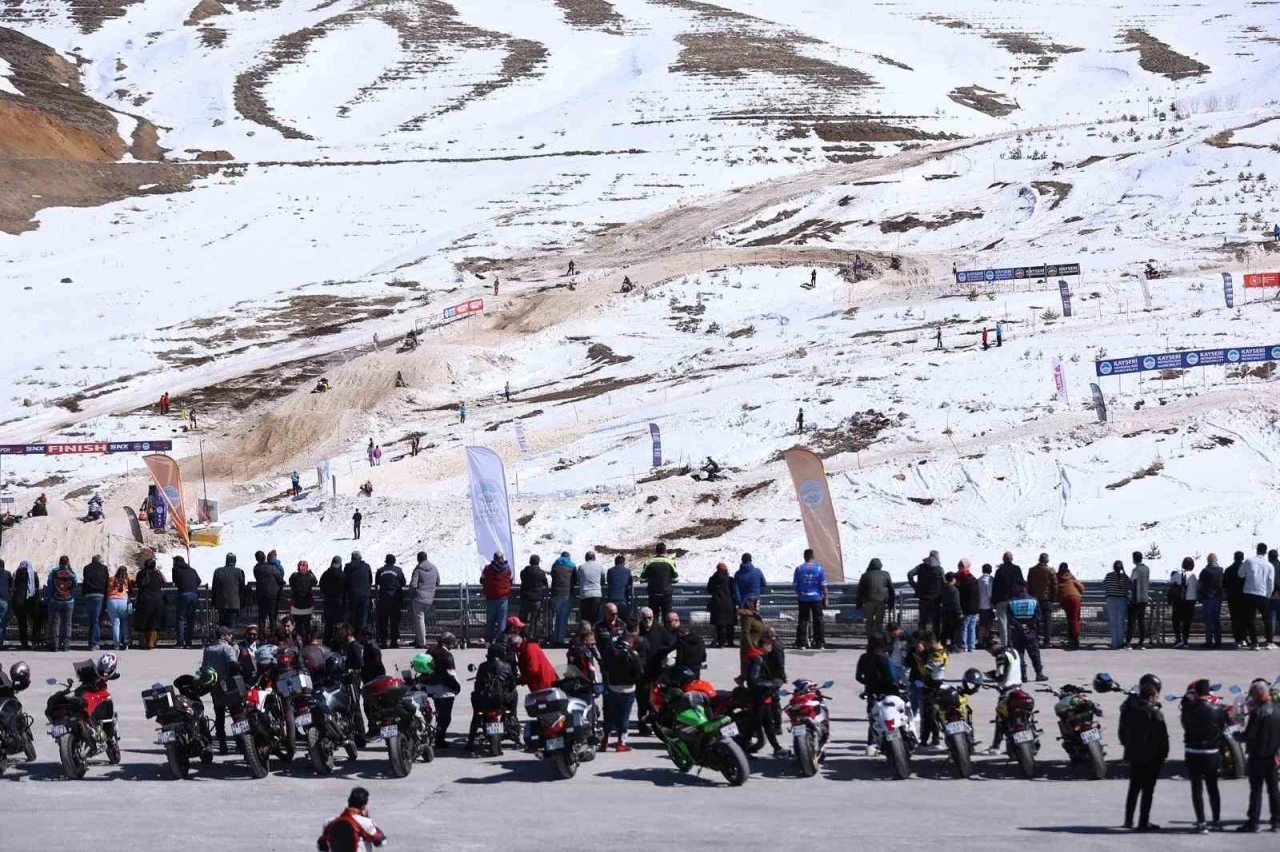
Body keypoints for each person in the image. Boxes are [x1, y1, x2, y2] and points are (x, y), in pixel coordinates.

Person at [1119, 674, 1169, 831]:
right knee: (1147, 791)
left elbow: (1121, 731)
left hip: (1134, 754)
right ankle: (1143, 822)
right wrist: (1163, 756)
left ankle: (1128, 820)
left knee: (1133, 788)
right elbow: (1163, 740)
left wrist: (1127, 746)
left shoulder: (1129, 708)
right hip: (1151, 758)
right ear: (1152, 695)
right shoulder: (1155, 714)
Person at [1181, 678, 1226, 833]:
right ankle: (1216, 820)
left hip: (1193, 752)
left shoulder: (1187, 709)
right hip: (1211, 752)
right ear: (1207, 692)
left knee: (1196, 789)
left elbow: (1184, 725)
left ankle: (1201, 822)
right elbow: (1222, 727)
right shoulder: (1217, 709)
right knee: (1213, 787)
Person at [1239, 680, 1280, 832]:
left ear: (1258, 694)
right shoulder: (1277, 708)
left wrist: (1237, 734)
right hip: (1273, 755)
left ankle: (1253, 822)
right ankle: (1276, 821)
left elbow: (1249, 735)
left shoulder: (1258, 712)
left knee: (1256, 789)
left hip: (1258, 756)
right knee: (1274, 789)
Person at [745, 635, 786, 757]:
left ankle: (777, 748)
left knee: (767, 723)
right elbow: (754, 680)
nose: (771, 648)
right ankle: (742, 747)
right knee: (754, 724)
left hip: (765, 697)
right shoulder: (758, 659)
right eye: (769, 646)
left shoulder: (760, 657)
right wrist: (772, 684)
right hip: (760, 697)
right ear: (763, 646)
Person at [601, 631, 643, 752]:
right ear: (631, 642)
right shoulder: (631, 653)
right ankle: (621, 743)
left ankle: (604, 740)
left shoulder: (610, 651)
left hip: (612, 687)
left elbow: (604, 666)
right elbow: (638, 672)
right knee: (624, 715)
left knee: (609, 714)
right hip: (628, 689)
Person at [856, 630, 897, 751]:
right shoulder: (884, 658)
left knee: (874, 718)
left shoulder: (864, 657)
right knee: (889, 716)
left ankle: (872, 744)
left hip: (871, 692)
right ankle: (889, 742)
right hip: (886, 691)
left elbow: (858, 677)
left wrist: (868, 683)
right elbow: (892, 677)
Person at [202, 625, 239, 753]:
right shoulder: (227, 648)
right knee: (236, 714)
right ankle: (240, 743)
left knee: (219, 715)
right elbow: (233, 666)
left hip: (215, 687)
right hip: (228, 685)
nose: (231, 636)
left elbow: (204, 669)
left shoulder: (208, 649)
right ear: (223, 637)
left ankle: (222, 744)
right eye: (229, 634)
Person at [317, 787, 386, 852]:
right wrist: (370, 820)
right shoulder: (365, 822)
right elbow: (380, 842)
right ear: (363, 805)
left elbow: (322, 846)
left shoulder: (329, 822)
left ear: (349, 801)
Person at [635, 607, 668, 734]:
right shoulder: (637, 630)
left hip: (657, 672)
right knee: (642, 700)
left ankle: (656, 725)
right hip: (642, 673)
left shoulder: (660, 629)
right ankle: (642, 725)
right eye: (645, 618)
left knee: (656, 700)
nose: (648, 621)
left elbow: (669, 642)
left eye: (650, 618)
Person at [1007, 582, 1047, 681]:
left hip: (1017, 631)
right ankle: (1039, 674)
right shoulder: (1034, 600)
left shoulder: (1011, 602)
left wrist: (1020, 626)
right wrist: (1028, 625)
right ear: (1026, 588)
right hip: (1031, 631)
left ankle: (1022, 675)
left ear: (1017, 588)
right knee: (1034, 653)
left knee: (1019, 654)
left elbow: (1009, 617)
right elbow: (1038, 616)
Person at [1242, 542, 1275, 648]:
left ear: (1256, 549)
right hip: (1262, 593)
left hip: (1249, 592)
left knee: (1250, 619)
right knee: (1267, 618)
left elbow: (1240, 574)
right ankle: (1269, 641)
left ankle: (1254, 642)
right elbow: (1270, 582)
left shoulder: (1249, 561)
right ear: (1265, 552)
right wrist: (1268, 595)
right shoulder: (1269, 565)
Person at [793, 549, 827, 649]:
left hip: (803, 598)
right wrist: (826, 597)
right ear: (813, 556)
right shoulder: (819, 569)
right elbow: (823, 584)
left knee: (803, 620)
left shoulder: (799, 569)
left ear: (804, 556)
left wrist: (799, 594)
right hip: (816, 598)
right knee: (818, 620)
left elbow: (795, 585)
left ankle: (802, 643)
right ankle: (819, 642)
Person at [907, 551, 944, 639]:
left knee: (922, 621)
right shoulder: (939, 569)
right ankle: (936, 640)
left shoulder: (921, 567)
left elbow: (910, 574)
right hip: (936, 599)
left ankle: (921, 640)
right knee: (936, 621)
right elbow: (944, 582)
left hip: (923, 598)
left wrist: (915, 586)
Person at [44, 555, 77, 652]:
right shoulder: (72, 573)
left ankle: (55, 645)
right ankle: (66, 645)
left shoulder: (54, 572)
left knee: (55, 623)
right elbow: (74, 585)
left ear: (60, 562)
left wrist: (49, 598)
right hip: (68, 601)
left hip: (55, 600)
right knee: (67, 623)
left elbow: (49, 585)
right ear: (68, 562)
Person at [408, 552, 439, 648]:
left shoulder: (418, 569)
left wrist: (411, 593)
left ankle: (421, 643)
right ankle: (418, 639)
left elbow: (413, 584)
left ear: (418, 559)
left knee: (419, 620)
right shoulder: (434, 568)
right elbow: (438, 581)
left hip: (419, 598)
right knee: (419, 620)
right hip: (429, 599)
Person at [480, 551, 512, 645]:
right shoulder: (507, 569)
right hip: (503, 598)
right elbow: (510, 580)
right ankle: (500, 641)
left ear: (494, 558)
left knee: (490, 620)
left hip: (490, 597)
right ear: (502, 558)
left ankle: (489, 640)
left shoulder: (487, 568)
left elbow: (482, 580)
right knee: (502, 620)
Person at [991, 551, 1023, 646]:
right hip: (1015, 600)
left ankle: (1004, 643)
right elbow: (1021, 583)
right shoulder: (1017, 569)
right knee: (1014, 621)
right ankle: (1015, 641)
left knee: (1002, 622)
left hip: (1002, 600)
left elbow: (995, 587)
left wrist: (993, 601)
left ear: (1003, 559)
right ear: (1012, 559)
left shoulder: (999, 571)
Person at [132, 558, 165, 650]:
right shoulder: (157, 574)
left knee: (143, 621)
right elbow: (164, 582)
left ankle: (143, 642)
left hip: (143, 600)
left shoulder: (140, 574)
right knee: (154, 622)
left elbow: (137, 584)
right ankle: (151, 643)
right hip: (156, 600)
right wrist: (159, 571)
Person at [640, 543, 678, 620]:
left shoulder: (648, 562)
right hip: (666, 593)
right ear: (665, 551)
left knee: (654, 617)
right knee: (667, 617)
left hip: (653, 593)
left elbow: (642, 579)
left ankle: (654, 630)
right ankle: (667, 631)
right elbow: (676, 579)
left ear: (656, 551)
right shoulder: (670, 562)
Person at [857, 557, 894, 636]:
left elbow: (860, 590)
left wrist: (858, 603)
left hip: (869, 600)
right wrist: (891, 603)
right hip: (881, 600)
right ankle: (878, 638)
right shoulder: (886, 574)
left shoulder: (865, 575)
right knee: (879, 621)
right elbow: (891, 589)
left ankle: (870, 638)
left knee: (869, 621)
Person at [375, 554, 405, 648]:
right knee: (394, 621)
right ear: (394, 561)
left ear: (386, 561)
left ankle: (383, 641)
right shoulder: (398, 570)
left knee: (383, 621)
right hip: (395, 599)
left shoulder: (380, 570)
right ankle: (393, 642)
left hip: (383, 598)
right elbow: (403, 582)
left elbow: (377, 582)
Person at [706, 562, 739, 648]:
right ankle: (730, 642)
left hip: (717, 603)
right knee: (730, 624)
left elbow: (709, 590)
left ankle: (721, 643)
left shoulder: (712, 579)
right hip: (729, 603)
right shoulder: (730, 580)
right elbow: (734, 591)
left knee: (720, 625)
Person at [11, 560, 42, 649]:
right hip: (30, 601)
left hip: (18, 601)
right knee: (36, 619)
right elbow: (37, 589)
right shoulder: (34, 574)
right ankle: (34, 640)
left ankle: (24, 642)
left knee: (22, 622)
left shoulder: (15, 574)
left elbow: (13, 587)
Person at [172, 555, 202, 649]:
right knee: (190, 619)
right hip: (194, 595)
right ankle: (188, 641)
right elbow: (199, 581)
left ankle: (180, 641)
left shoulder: (175, 569)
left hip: (183, 594)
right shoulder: (192, 570)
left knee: (181, 618)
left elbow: (175, 582)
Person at [1027, 552, 1057, 644]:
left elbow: (1029, 584)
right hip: (1047, 599)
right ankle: (1047, 640)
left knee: (1035, 620)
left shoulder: (1032, 570)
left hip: (1034, 599)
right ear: (1047, 560)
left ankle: (1035, 639)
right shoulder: (1051, 570)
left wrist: (1030, 596)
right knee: (1047, 621)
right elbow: (1055, 585)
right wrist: (1054, 598)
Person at [80, 554, 109, 651]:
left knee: (93, 619)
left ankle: (92, 642)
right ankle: (93, 643)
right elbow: (106, 582)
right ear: (100, 561)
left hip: (88, 595)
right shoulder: (104, 568)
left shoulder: (86, 568)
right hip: (99, 595)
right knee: (96, 620)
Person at [1224, 550, 1252, 648]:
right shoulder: (1248, 569)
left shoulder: (1228, 570)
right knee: (1245, 618)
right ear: (1243, 558)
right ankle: (1245, 638)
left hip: (1233, 598)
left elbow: (1224, 585)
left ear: (1234, 557)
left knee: (1235, 619)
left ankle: (1238, 639)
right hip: (1245, 597)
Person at [1169, 557, 1198, 648]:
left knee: (1176, 620)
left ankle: (1178, 639)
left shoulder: (1177, 573)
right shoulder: (1194, 575)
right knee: (1187, 621)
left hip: (1178, 600)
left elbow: (1171, 581)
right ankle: (1185, 640)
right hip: (1190, 600)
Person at [518, 555, 549, 641]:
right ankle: (532, 637)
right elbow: (545, 582)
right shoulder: (541, 573)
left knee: (522, 619)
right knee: (534, 620)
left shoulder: (524, 572)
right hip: (536, 599)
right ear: (538, 562)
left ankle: (521, 636)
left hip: (525, 598)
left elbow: (522, 578)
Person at [549, 551, 576, 646]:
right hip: (567, 594)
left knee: (556, 617)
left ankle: (555, 637)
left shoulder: (555, 565)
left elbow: (552, 576)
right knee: (563, 618)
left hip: (555, 594)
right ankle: (560, 639)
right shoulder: (572, 566)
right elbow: (575, 580)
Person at [1103, 560, 1131, 649]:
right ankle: (1120, 642)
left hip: (1111, 599)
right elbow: (1129, 586)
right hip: (1122, 600)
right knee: (1121, 622)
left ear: (1113, 567)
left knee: (1113, 622)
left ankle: (1114, 643)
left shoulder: (1109, 576)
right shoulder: (1125, 577)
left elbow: (1104, 585)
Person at [1199, 552, 1225, 648]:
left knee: (1208, 621)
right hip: (1218, 598)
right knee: (1217, 620)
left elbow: (1200, 584)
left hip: (1207, 598)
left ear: (1208, 561)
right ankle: (1218, 641)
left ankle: (1209, 641)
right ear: (1216, 560)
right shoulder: (1221, 570)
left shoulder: (1205, 571)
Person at [1056, 563, 1084, 650]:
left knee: (1071, 619)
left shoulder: (1057, 577)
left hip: (1065, 599)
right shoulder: (1071, 577)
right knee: (1075, 619)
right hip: (1076, 598)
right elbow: (1081, 587)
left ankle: (1072, 639)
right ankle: (1075, 639)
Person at [344, 551, 373, 634]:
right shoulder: (366, 567)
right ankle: (362, 636)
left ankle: (353, 636)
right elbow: (370, 581)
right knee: (364, 616)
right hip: (365, 595)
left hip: (352, 595)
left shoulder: (348, 568)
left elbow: (345, 581)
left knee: (353, 616)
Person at [737, 596, 766, 679]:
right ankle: (742, 680)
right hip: (750, 645)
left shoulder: (756, 615)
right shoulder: (747, 616)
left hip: (758, 644)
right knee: (748, 666)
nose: (758, 606)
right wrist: (751, 646)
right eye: (757, 604)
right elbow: (746, 632)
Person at [253, 550, 282, 635]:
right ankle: (273, 635)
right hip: (272, 595)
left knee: (262, 617)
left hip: (261, 595)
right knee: (272, 616)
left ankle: (262, 636)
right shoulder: (271, 568)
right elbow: (279, 576)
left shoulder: (256, 568)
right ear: (265, 557)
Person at [288, 560, 317, 641]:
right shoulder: (310, 576)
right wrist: (311, 573)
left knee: (298, 625)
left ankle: (298, 641)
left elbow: (290, 582)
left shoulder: (294, 576)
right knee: (306, 625)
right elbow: (315, 582)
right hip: (307, 606)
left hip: (296, 606)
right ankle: (306, 640)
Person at [1128, 550, 1152, 649]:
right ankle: (1141, 642)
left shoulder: (1136, 570)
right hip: (1144, 597)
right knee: (1141, 620)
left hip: (1135, 598)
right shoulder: (1147, 569)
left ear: (1134, 559)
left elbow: (1131, 581)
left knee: (1132, 621)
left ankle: (1128, 641)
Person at [320, 556, 345, 645]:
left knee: (329, 623)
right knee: (339, 623)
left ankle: (326, 641)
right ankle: (339, 642)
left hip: (328, 601)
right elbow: (346, 587)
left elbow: (321, 585)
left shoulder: (326, 574)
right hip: (339, 602)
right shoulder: (342, 574)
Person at [955, 560, 980, 652]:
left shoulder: (961, 579)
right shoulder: (974, 579)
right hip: (975, 607)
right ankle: (971, 645)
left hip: (966, 607)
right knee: (972, 627)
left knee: (964, 627)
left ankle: (963, 645)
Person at [576, 551, 605, 626]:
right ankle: (594, 634)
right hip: (596, 594)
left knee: (585, 618)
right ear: (594, 558)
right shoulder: (599, 566)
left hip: (584, 594)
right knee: (596, 617)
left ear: (586, 558)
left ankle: (586, 634)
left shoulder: (581, 567)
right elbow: (603, 579)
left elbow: (578, 580)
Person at [105, 566, 131, 650]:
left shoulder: (111, 579)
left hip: (112, 600)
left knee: (116, 623)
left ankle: (117, 644)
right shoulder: (126, 580)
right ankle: (125, 642)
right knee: (124, 622)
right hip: (123, 601)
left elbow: (108, 588)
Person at [977, 563, 994, 644]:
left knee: (982, 623)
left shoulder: (979, 579)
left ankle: (980, 640)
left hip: (980, 605)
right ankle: (985, 638)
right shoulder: (990, 580)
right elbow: (989, 593)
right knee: (988, 623)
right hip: (988, 605)